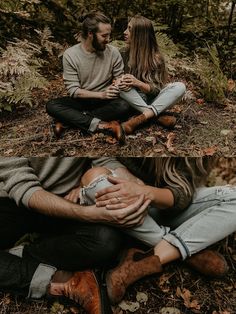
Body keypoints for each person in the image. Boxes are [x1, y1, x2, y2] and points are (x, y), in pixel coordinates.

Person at [0, 157, 149, 314]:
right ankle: (64, 282)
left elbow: (102, 157)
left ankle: (20, 256)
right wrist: (87, 214)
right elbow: (22, 187)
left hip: (66, 201)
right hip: (10, 201)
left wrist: (131, 181)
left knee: (106, 240)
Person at [94, 157, 236, 304]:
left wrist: (145, 192)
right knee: (95, 179)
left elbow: (182, 194)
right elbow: (100, 158)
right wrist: (133, 181)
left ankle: (140, 263)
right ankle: (189, 253)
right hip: (125, 197)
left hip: (164, 204)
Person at [46, 11, 132, 144]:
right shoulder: (71, 55)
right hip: (83, 99)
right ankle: (105, 125)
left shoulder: (113, 52)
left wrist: (120, 83)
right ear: (90, 34)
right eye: (104, 35)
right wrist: (101, 94)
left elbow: (118, 78)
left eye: (109, 35)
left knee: (124, 106)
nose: (108, 39)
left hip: (106, 101)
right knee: (52, 105)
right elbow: (74, 91)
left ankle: (68, 121)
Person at [114, 15, 187, 134]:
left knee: (180, 87)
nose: (125, 32)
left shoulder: (156, 58)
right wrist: (120, 81)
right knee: (119, 85)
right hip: (133, 99)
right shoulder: (122, 53)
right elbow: (116, 80)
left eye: (130, 29)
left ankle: (139, 119)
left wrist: (137, 83)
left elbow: (156, 90)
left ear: (140, 34)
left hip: (153, 99)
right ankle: (158, 117)